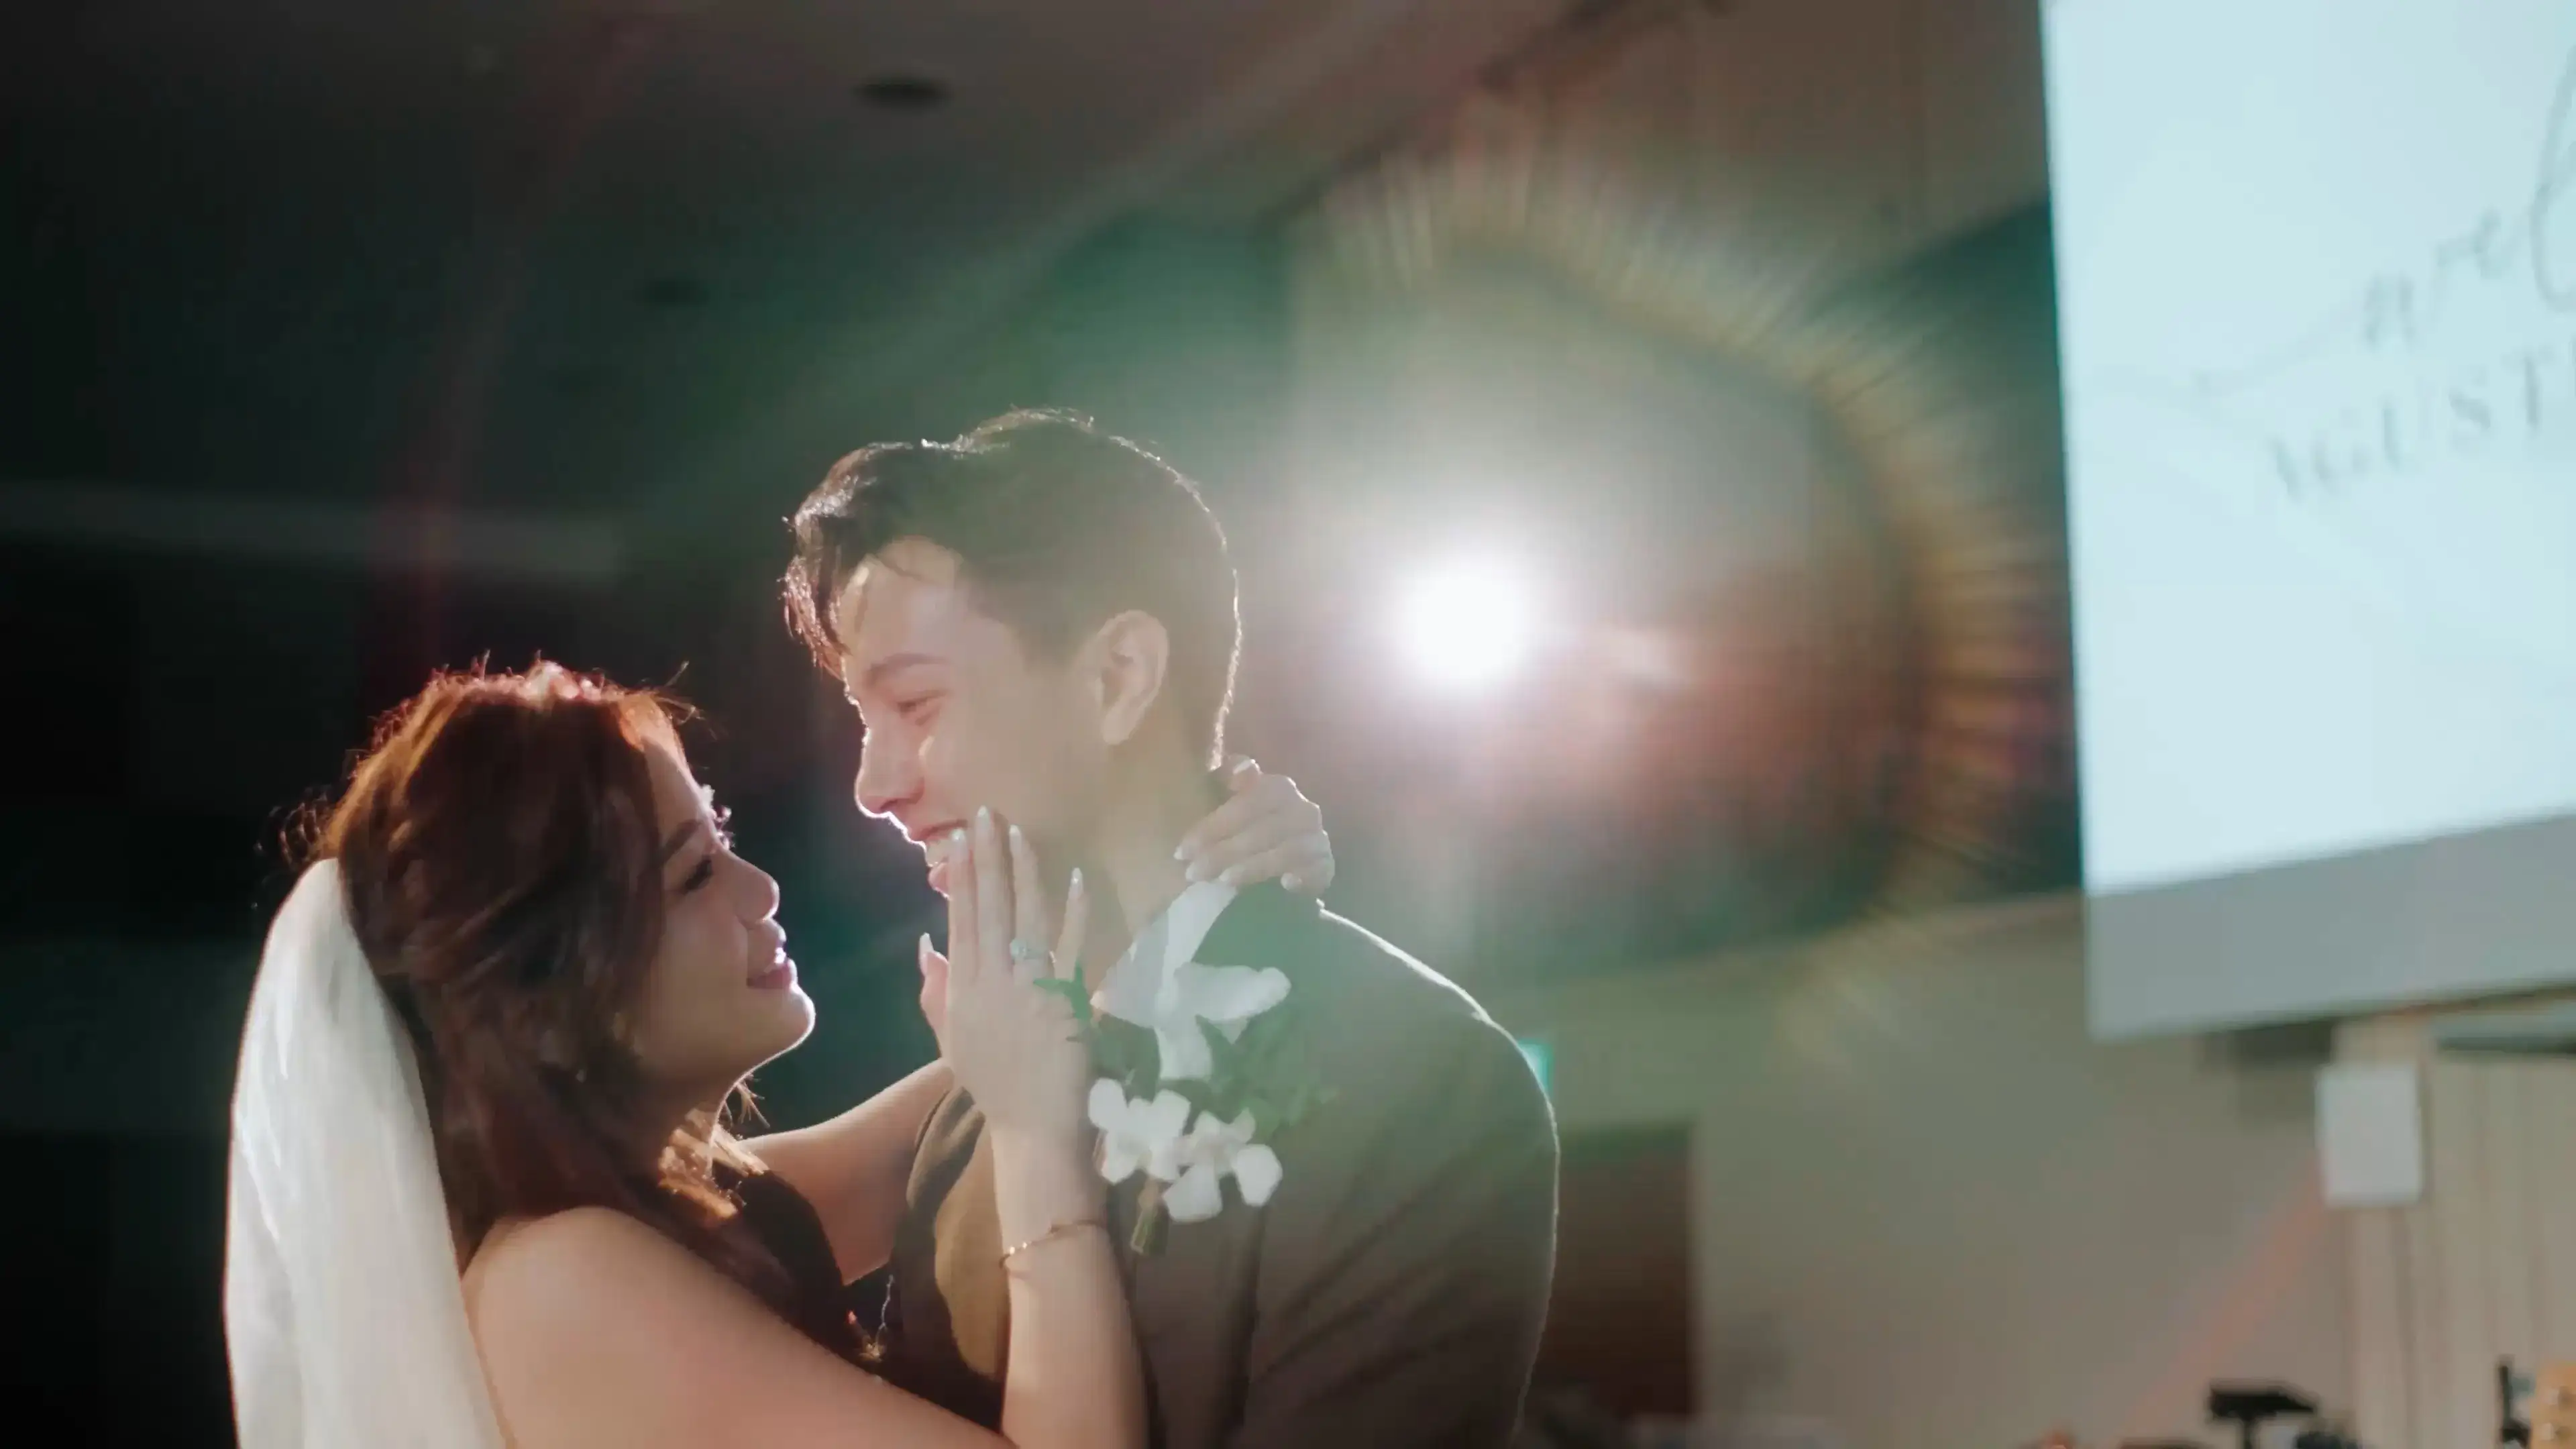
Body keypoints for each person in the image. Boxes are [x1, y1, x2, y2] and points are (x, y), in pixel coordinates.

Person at [222, 662, 1337, 1448]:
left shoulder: (686, 1219)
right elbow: (1019, 1092)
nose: (762, 894)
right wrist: (1041, 1144)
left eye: (727, 841)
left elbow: (1012, 1059)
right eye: (694, 875)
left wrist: (1199, 887)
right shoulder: (562, 1286)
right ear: (552, 1013)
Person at [781, 408, 1561, 1448]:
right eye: (864, 722)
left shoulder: (1423, 1080)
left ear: (1117, 679)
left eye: (917, 707)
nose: (872, 785)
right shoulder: (974, 1110)